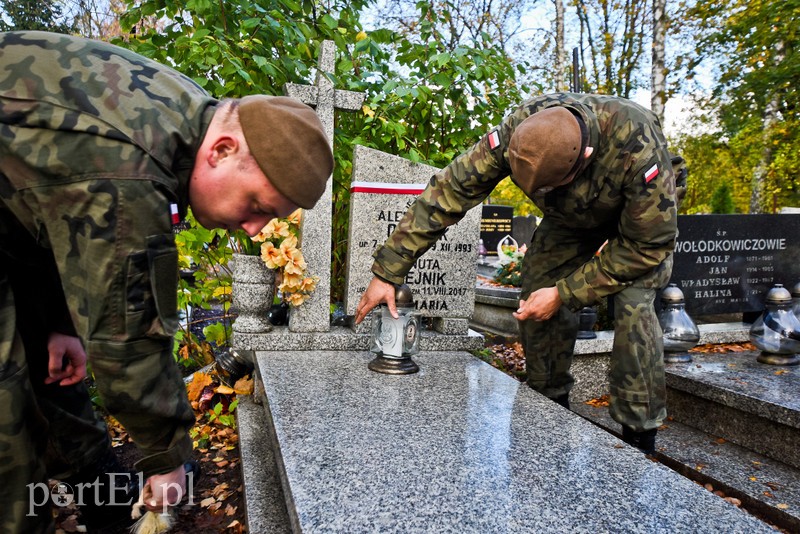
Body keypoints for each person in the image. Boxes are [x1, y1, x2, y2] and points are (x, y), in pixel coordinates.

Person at [0, 31, 332, 533]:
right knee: (8, 445)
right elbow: (127, 333)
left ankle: (103, 507)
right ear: (222, 151)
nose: (256, 229)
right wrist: (165, 457)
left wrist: (59, 322)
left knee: (54, 394)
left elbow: (46, 208)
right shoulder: (131, 165)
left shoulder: (183, 114)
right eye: (258, 206)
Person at [355, 92, 686, 456]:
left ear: (585, 159)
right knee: (536, 288)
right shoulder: (522, 129)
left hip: (639, 222)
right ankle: (548, 403)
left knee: (634, 308)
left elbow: (647, 247)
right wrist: (388, 269)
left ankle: (640, 435)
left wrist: (565, 293)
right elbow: (450, 190)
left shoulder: (638, 148)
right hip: (570, 218)